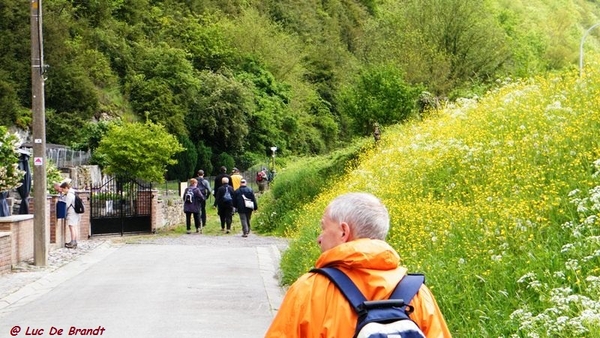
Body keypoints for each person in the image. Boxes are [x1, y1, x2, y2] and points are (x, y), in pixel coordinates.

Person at [265, 192, 452, 337]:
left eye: (323, 228)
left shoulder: (308, 291)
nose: (319, 239)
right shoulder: (418, 294)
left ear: (343, 232)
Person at [61, 182, 80, 249]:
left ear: (66, 188)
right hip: (75, 212)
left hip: (71, 212)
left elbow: (67, 205)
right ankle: (75, 241)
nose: (63, 191)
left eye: (63, 189)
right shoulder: (73, 192)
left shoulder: (69, 195)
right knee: (75, 227)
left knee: (72, 227)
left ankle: (72, 242)